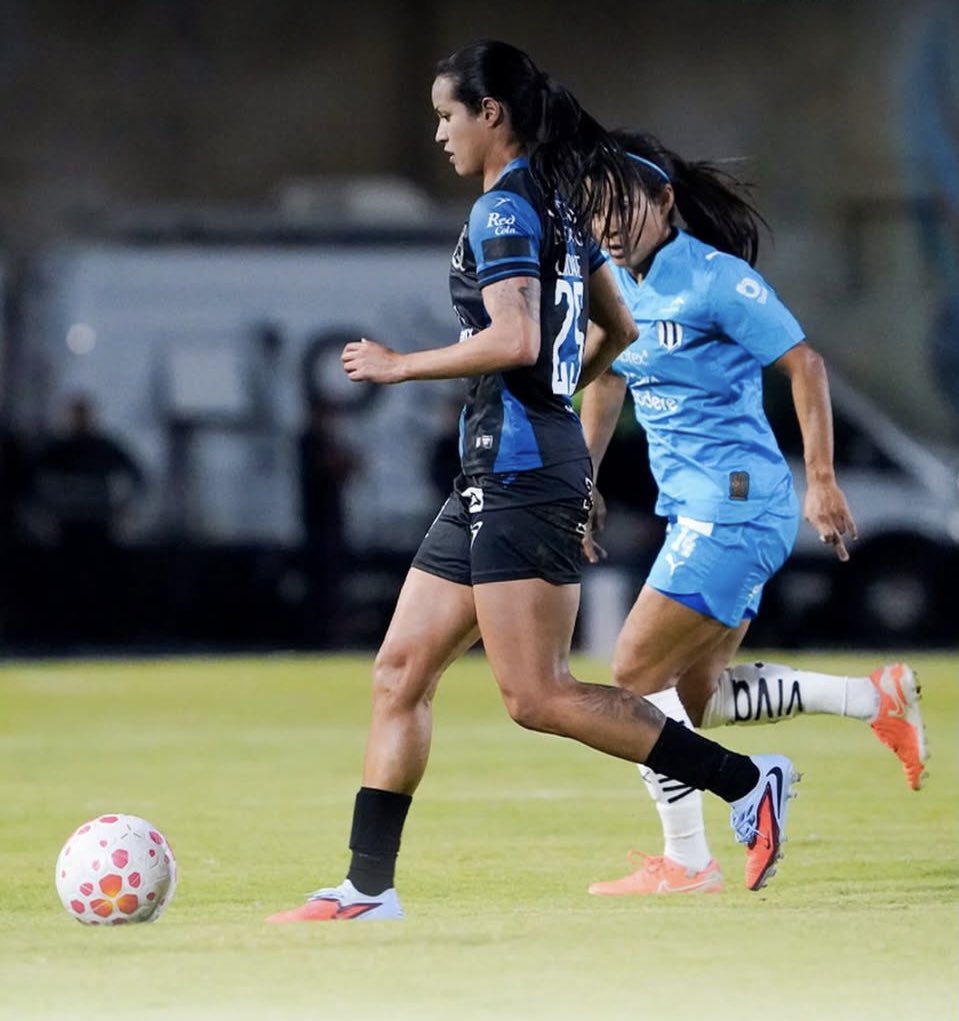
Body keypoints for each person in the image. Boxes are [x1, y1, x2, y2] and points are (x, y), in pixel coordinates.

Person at [267, 41, 799, 924]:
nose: (438, 132)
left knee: (538, 695)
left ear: (491, 115)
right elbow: (617, 326)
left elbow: (514, 338)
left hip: (518, 472)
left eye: (448, 115)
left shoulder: (505, 214)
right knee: (400, 671)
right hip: (501, 467)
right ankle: (367, 887)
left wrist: (402, 367)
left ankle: (745, 780)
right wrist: (557, 411)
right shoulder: (554, 207)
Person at [577, 131, 928, 897]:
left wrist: (824, 479)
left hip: (734, 503)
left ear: (663, 202)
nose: (604, 222)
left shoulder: (712, 279)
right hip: (700, 508)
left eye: (618, 206)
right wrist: (585, 475)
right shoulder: (612, 286)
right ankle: (873, 699)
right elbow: (604, 382)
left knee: (632, 676)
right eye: (592, 208)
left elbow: (803, 362)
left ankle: (688, 859)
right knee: (694, 697)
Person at [28, 393, 145, 644]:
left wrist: (124, 509)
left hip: (99, 525)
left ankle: (103, 634)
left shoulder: (104, 447)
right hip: (67, 527)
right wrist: (43, 515)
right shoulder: (58, 449)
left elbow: (137, 475)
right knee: (66, 584)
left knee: (101, 583)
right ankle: (65, 635)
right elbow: (30, 483)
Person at [297, 393, 355, 648]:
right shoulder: (310, 442)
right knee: (322, 584)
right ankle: (321, 636)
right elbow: (331, 466)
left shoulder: (322, 441)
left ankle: (329, 634)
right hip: (318, 522)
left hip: (328, 522)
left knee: (331, 584)